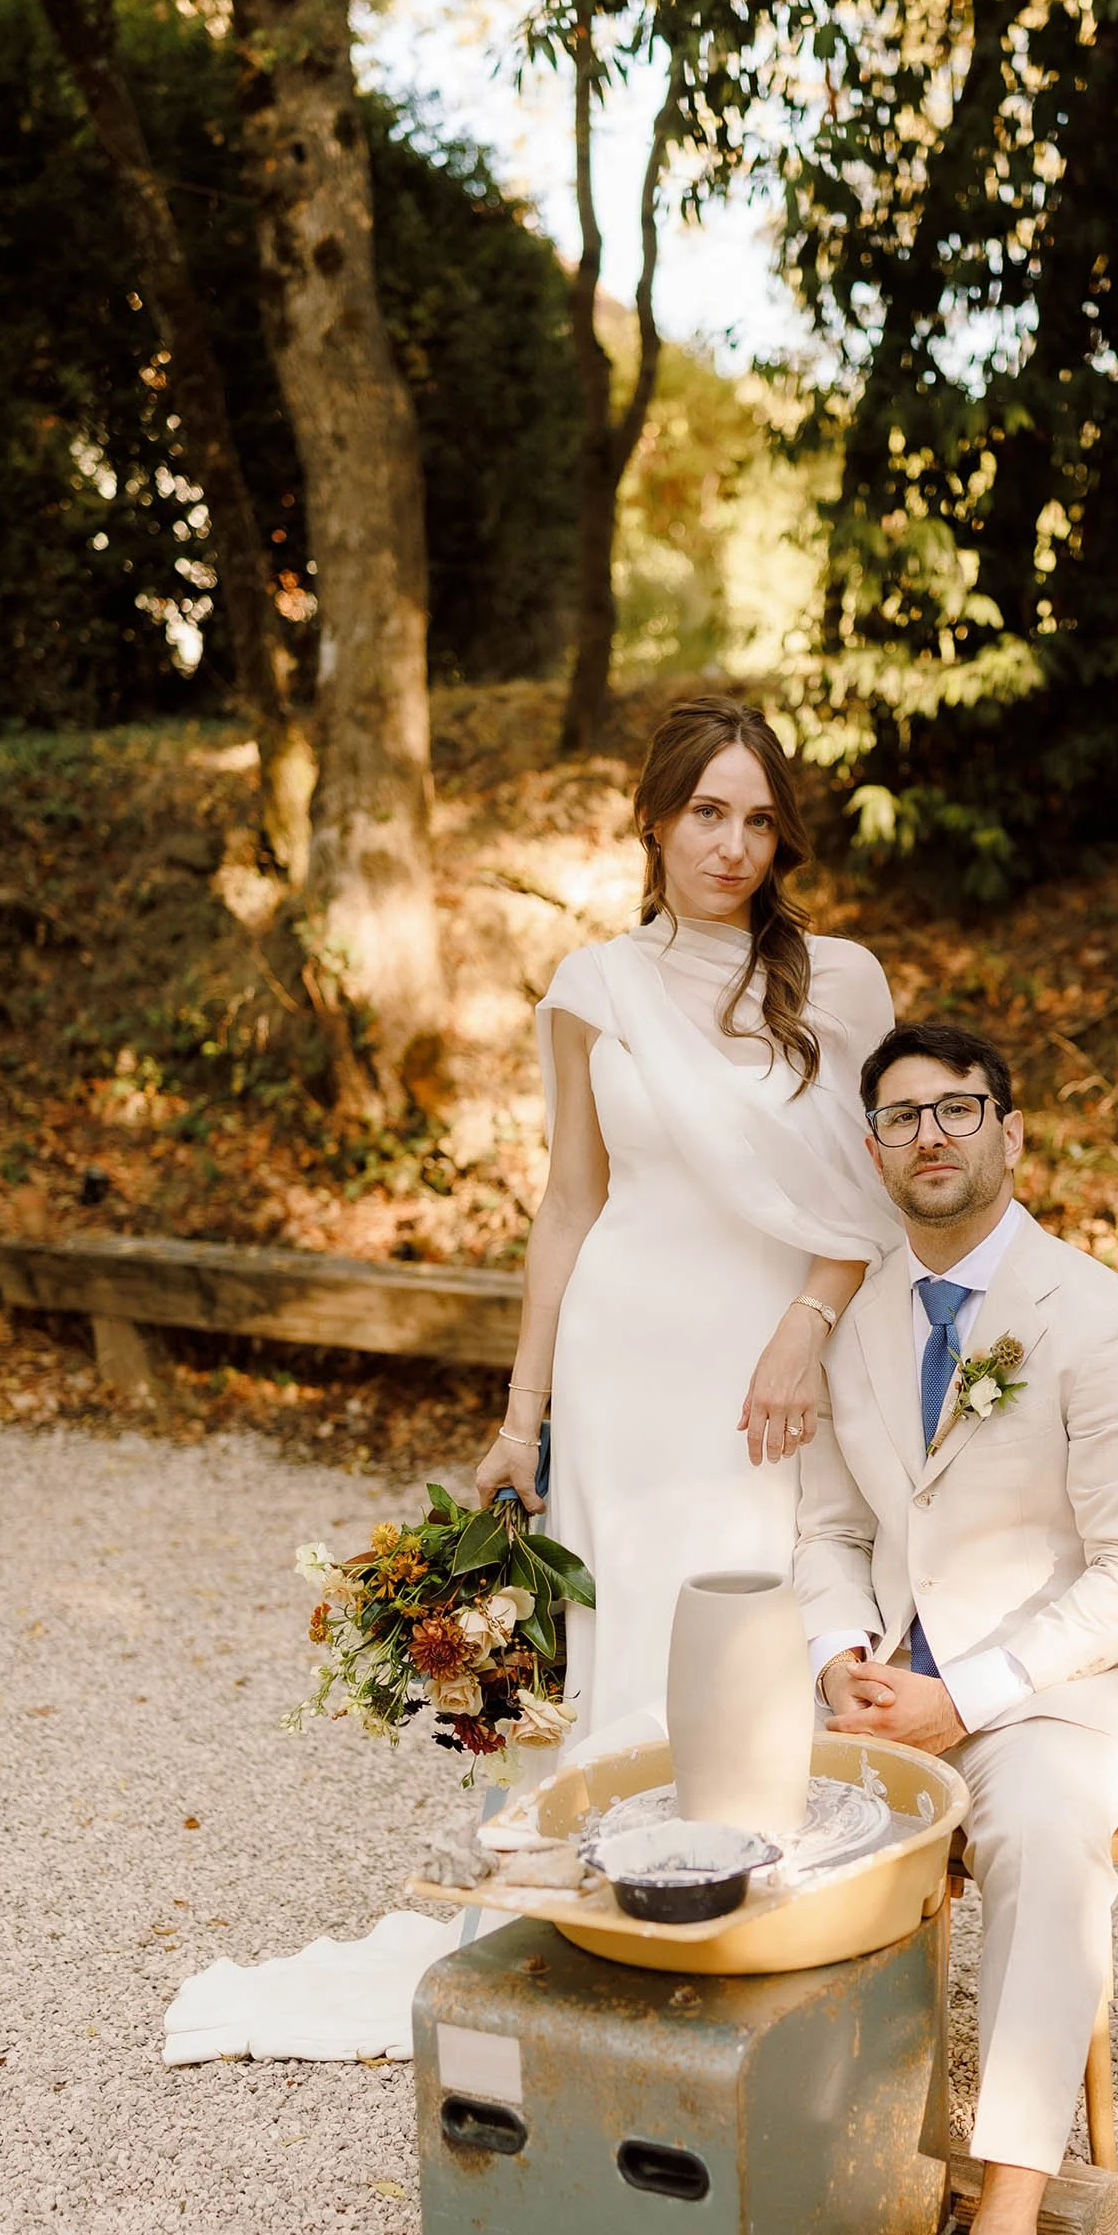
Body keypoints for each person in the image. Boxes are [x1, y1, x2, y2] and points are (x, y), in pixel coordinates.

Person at [796, 1019, 1118, 2235]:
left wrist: (963, 1695)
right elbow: (829, 1527)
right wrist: (839, 1654)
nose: (932, 1134)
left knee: (1037, 1830)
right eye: (901, 1114)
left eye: (958, 1108)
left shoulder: (1100, 1317)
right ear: (874, 1151)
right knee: (744, 1791)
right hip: (890, 1682)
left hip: (1053, 1689)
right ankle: (814, 2170)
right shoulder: (857, 1324)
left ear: (1010, 1133)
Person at [475, 697, 899, 1741]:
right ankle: (612, 1835)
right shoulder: (595, 986)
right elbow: (569, 1205)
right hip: (618, 1361)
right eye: (707, 812)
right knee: (625, 1636)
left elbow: (873, 1197)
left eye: (758, 821)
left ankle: (754, 1835)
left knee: (749, 1636)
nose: (732, 847)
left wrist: (807, 1323)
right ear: (654, 818)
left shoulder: (840, 981)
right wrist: (521, 1421)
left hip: (770, 1364)